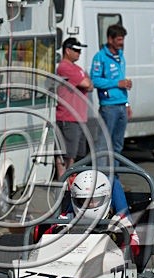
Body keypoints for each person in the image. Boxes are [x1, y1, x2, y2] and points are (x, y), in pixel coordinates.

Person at [89, 24, 131, 215]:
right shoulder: (100, 57)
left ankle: (116, 180)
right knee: (103, 146)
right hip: (108, 107)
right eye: (119, 39)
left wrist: (128, 103)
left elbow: (122, 80)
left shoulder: (120, 56)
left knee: (118, 146)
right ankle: (102, 180)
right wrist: (117, 83)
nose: (122, 42)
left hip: (121, 104)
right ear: (110, 39)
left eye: (123, 39)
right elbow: (95, 80)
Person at [55, 37, 92, 179]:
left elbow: (90, 84)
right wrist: (86, 83)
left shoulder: (77, 68)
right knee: (67, 155)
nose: (79, 53)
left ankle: (71, 182)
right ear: (67, 50)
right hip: (68, 117)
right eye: (76, 50)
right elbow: (86, 84)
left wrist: (87, 83)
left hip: (79, 117)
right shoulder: (64, 67)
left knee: (76, 154)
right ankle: (64, 183)